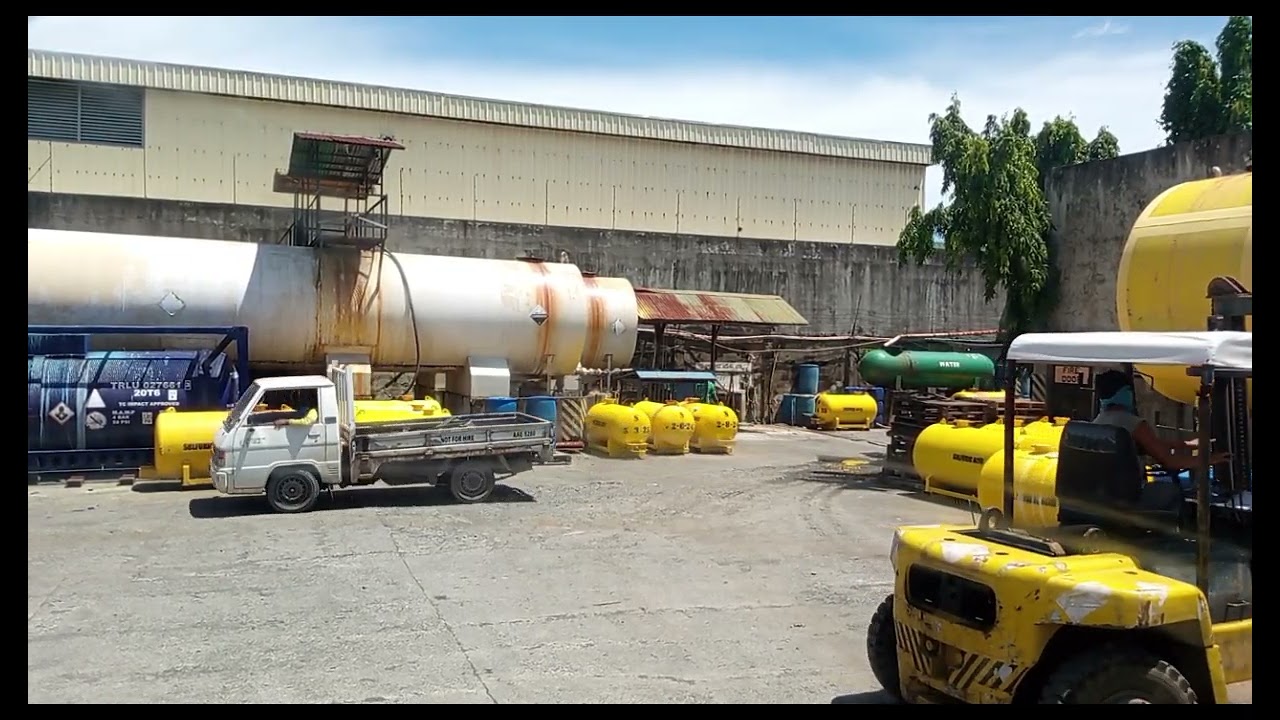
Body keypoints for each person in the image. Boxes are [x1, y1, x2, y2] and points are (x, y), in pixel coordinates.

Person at [1092, 370, 1228, 471]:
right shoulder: (1134, 424)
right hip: (1129, 491)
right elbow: (1171, 462)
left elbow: (1151, 444)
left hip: (1107, 490)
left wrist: (1185, 444)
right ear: (1125, 393)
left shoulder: (1098, 422)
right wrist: (1211, 459)